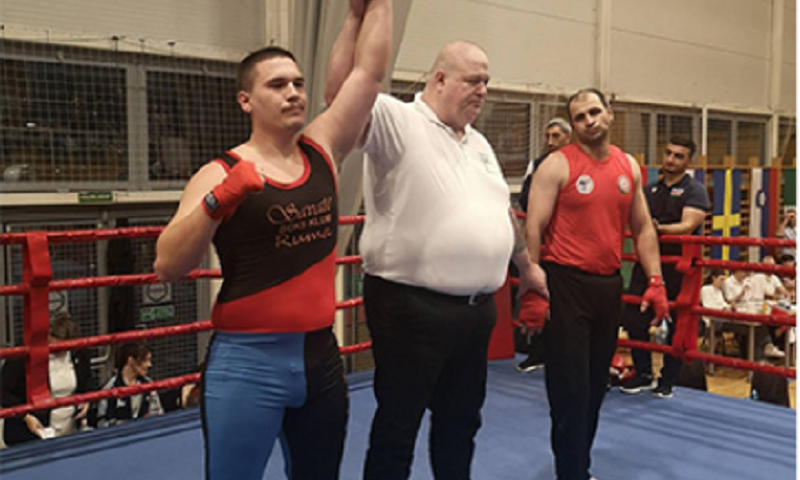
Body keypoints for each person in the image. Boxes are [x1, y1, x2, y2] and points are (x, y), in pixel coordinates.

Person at [152, 1, 391, 478]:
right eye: (277, 85)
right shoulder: (218, 172)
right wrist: (219, 200)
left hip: (319, 358)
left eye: (298, 84)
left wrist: (363, 12)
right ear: (246, 101)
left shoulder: (323, 148)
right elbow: (167, 266)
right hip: (246, 363)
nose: (293, 93)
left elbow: (367, 74)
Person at [326, 40, 539, 480]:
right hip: (411, 307)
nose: (483, 91)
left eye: (486, 82)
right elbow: (339, 96)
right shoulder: (397, 119)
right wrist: (355, 22)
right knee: (399, 423)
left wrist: (526, 265)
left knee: (461, 423)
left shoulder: (479, 143)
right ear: (440, 79)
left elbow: (499, 209)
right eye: (473, 80)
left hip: (475, 310)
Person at [523, 88, 668, 480]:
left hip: (607, 287)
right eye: (580, 117)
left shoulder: (628, 166)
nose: (588, 121)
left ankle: (578, 467)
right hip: (565, 284)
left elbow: (643, 227)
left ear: (609, 113)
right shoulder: (557, 165)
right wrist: (533, 284)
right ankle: (571, 472)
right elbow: (533, 227)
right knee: (569, 392)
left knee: (593, 389)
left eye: (593, 112)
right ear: (573, 125)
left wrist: (655, 280)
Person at [619, 136, 710, 398]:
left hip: (679, 267)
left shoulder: (695, 190)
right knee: (634, 317)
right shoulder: (649, 190)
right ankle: (643, 373)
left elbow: (687, 225)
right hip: (648, 262)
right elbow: (633, 220)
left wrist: (656, 228)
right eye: (668, 153)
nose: (670, 159)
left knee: (677, 324)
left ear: (688, 161)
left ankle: (668, 379)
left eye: (678, 156)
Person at [516, 117, 572, 373]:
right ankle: (537, 351)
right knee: (537, 293)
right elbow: (525, 199)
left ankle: (562, 355)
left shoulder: (576, 164)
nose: (550, 141)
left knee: (563, 300)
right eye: (547, 136)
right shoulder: (537, 164)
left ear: (568, 138)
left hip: (567, 242)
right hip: (540, 238)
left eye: (556, 136)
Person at [1, 312, 93, 445]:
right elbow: (4, 391)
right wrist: (25, 416)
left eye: (66, 346)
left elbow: (87, 380)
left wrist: (86, 399)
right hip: (30, 432)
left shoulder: (79, 352)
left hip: (69, 429)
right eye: (58, 344)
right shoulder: (23, 355)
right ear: (48, 335)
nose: (62, 350)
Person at [92, 341, 163, 427]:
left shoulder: (148, 384)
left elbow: (158, 413)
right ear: (131, 361)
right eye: (145, 360)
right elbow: (101, 423)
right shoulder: (110, 389)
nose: (149, 365)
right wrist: (120, 426)